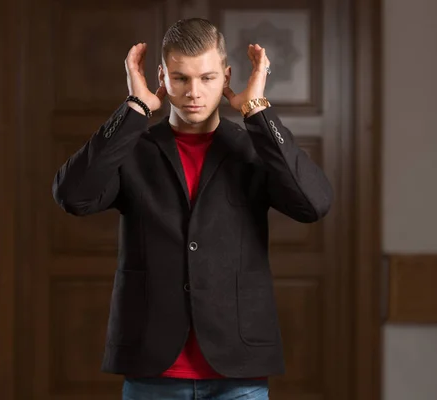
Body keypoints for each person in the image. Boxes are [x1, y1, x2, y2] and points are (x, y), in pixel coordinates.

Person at [52, 17, 333, 400]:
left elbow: (313, 203)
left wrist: (258, 112)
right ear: (162, 78)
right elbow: (73, 196)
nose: (194, 92)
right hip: (152, 367)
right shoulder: (134, 149)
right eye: (181, 78)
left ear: (227, 76)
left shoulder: (253, 149)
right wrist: (134, 108)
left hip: (238, 369)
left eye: (207, 77)